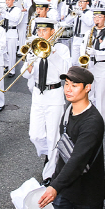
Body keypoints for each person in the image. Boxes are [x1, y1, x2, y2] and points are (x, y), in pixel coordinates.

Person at [38, 67, 105, 209]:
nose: (68, 89)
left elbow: (77, 160)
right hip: (66, 188)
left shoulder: (93, 122)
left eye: (74, 85)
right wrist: (55, 180)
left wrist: (54, 187)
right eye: (66, 84)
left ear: (87, 88)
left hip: (89, 192)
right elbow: (63, 151)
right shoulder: (68, 110)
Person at [21, 18, 71, 186]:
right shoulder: (34, 47)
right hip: (38, 94)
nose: (41, 34)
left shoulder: (61, 49)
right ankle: (51, 155)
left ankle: (49, 172)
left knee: (53, 136)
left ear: (52, 31)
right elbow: (26, 74)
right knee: (34, 135)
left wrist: (52, 52)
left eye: (44, 31)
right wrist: (28, 66)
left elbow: (65, 71)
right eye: (39, 31)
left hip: (54, 94)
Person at [80, 8, 105, 120]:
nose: (96, 19)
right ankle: (89, 120)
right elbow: (83, 48)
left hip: (103, 68)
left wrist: (96, 53)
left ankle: (100, 122)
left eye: (99, 17)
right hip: (90, 67)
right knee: (89, 95)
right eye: (95, 17)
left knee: (101, 98)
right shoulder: (88, 33)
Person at [0, 0, 22, 77]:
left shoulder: (17, 10)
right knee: (2, 50)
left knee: (12, 52)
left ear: (13, 0)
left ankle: (11, 70)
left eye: (9, 0)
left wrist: (5, 13)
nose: (7, 2)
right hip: (4, 31)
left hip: (12, 32)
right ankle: (7, 64)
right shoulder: (5, 9)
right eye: (6, 0)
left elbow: (15, 19)